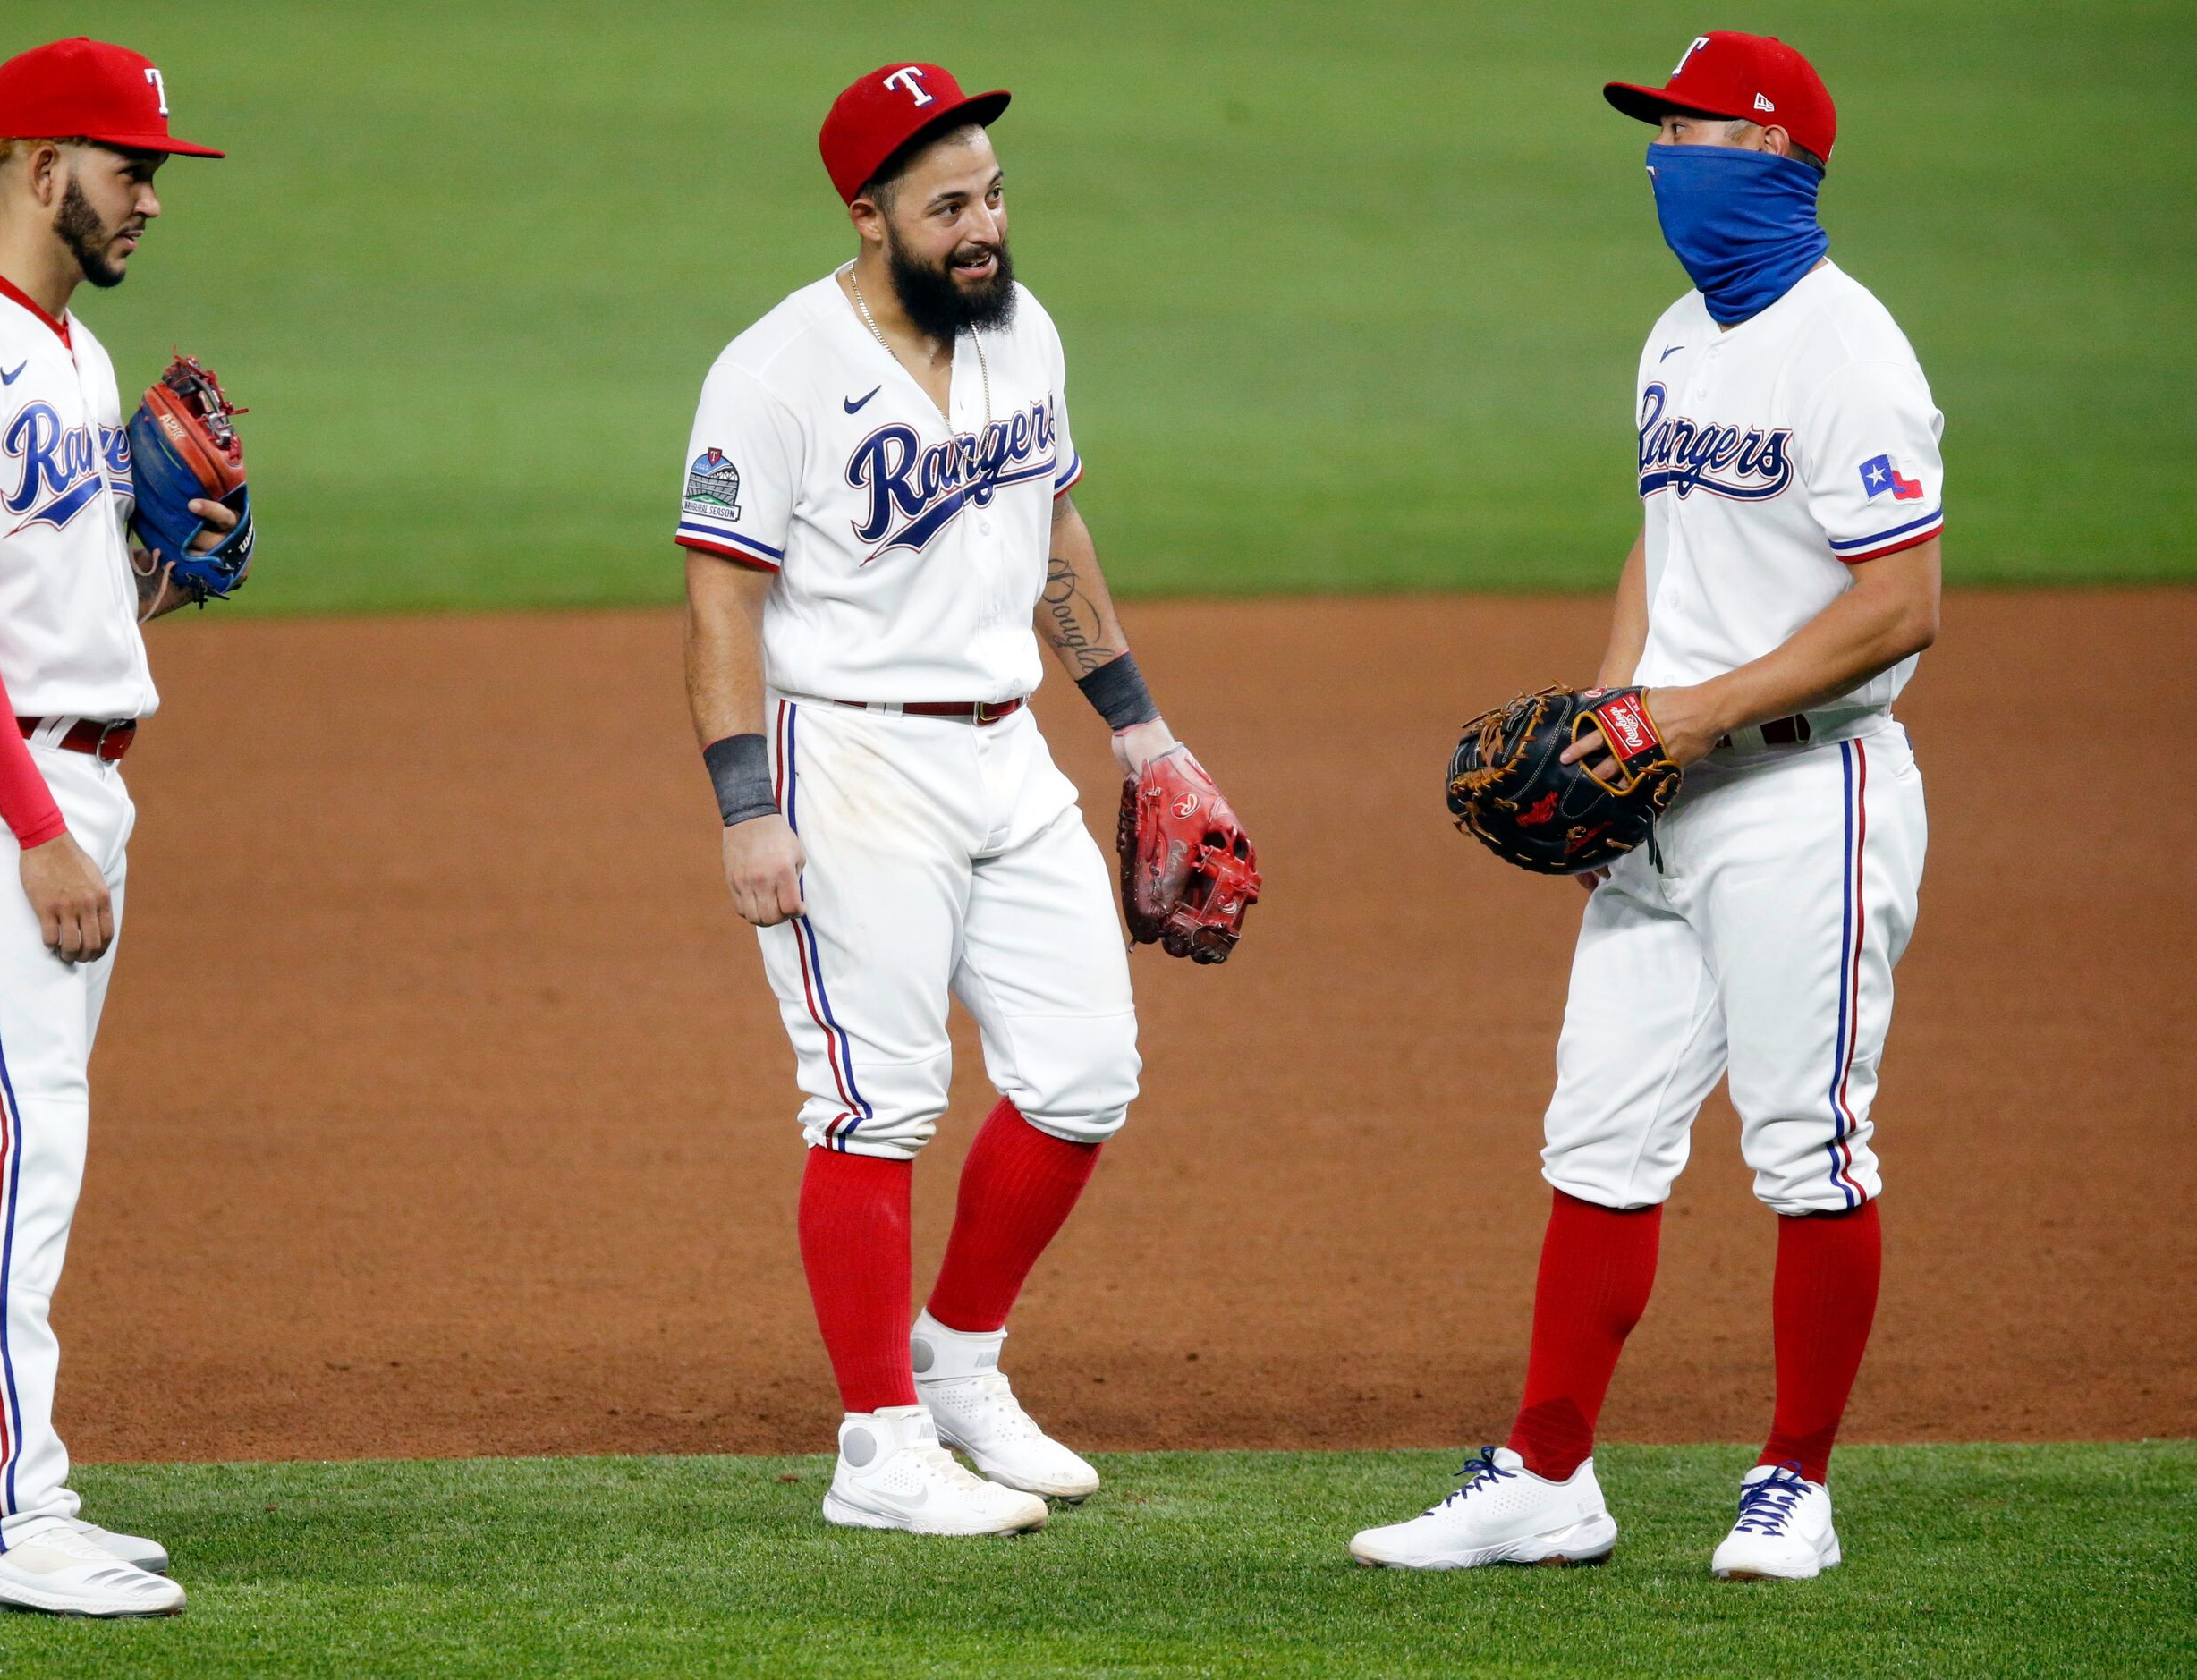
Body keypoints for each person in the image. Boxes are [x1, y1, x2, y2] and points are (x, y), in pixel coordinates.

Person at [1350, 31, 1942, 1581]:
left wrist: (1679, 716)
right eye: (1653, 133)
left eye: (1686, 129)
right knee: (1597, 1140)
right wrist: (1613, 723)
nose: (1659, 159)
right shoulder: (1677, 333)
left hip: (1806, 793)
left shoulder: (1849, 349)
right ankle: (1548, 1473)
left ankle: (1793, 1482)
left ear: (1772, 154)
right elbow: (1660, 541)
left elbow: (1901, 605)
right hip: (1669, 798)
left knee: (1807, 1144)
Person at [677, 63, 1246, 1535]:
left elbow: (1056, 527)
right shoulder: (774, 371)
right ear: (867, 217)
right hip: (849, 759)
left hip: (1007, 750)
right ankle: (877, 1449)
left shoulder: (1020, 332)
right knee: (875, 1100)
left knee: (1080, 1071)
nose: (983, 226)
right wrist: (748, 805)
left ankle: (958, 1364)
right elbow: (722, 601)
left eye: (991, 193)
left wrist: (1142, 736)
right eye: (947, 207)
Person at [0, 36, 238, 1616]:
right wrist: (34, 826)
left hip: (69, 773)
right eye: (130, 167)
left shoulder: (72, 359)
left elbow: (38, 596)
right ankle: (13, 1517)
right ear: (35, 165)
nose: (150, 197)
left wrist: (160, 578)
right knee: (23, 1137)